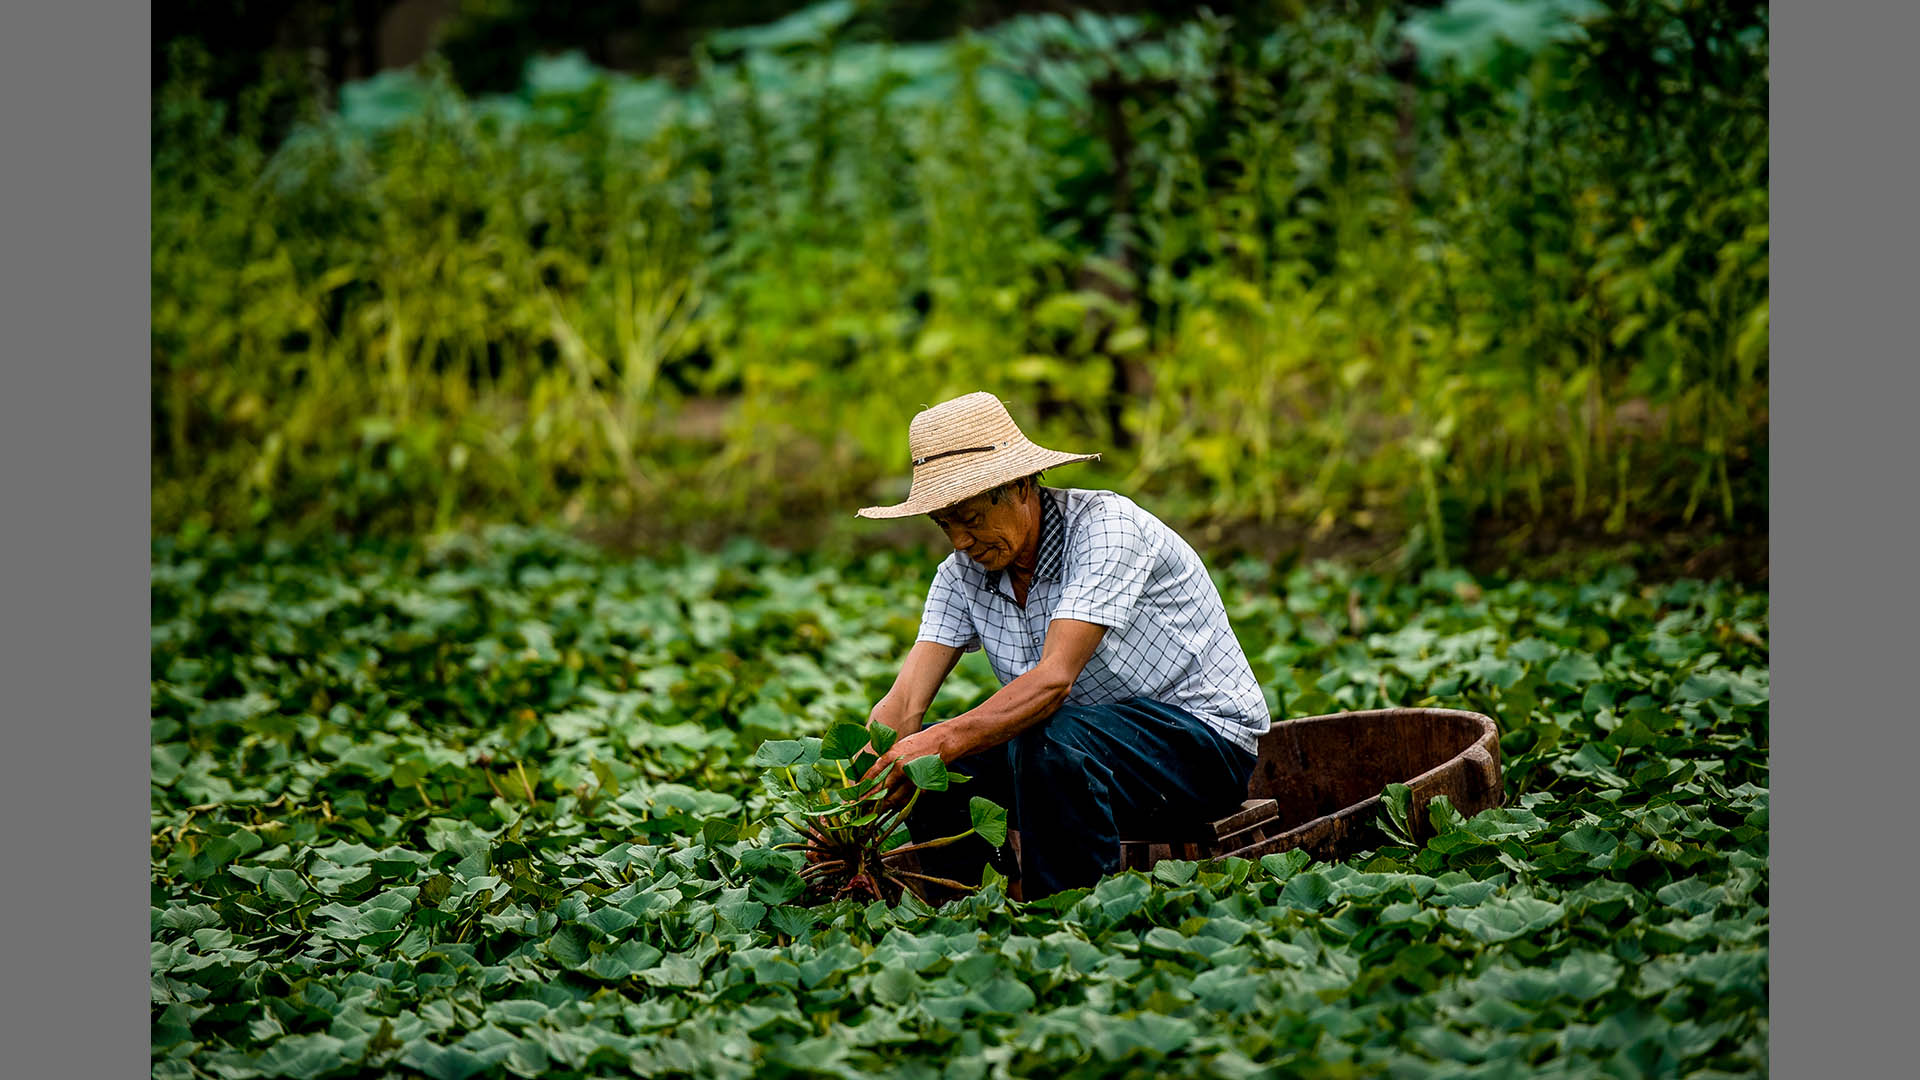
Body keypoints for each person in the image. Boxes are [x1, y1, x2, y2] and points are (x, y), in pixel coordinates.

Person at [855, 392, 1271, 899]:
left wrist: (940, 741)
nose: (961, 540)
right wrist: (856, 796)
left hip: (1200, 748)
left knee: (1036, 739)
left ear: (1021, 486)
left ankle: (1065, 919)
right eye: (945, 524)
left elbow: (1054, 680)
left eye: (970, 517)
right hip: (1073, 756)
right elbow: (904, 703)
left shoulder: (1106, 528)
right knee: (935, 768)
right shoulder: (961, 574)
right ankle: (969, 921)